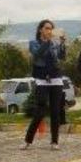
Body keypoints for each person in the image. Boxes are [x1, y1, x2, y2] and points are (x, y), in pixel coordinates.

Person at [21, 19, 66, 150]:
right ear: (40, 29)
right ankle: (28, 140)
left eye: (51, 28)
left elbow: (61, 57)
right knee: (40, 111)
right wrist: (47, 42)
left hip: (55, 79)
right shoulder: (33, 43)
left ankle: (54, 141)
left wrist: (62, 44)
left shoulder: (54, 44)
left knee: (55, 111)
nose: (49, 31)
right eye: (46, 28)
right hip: (41, 79)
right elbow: (37, 54)